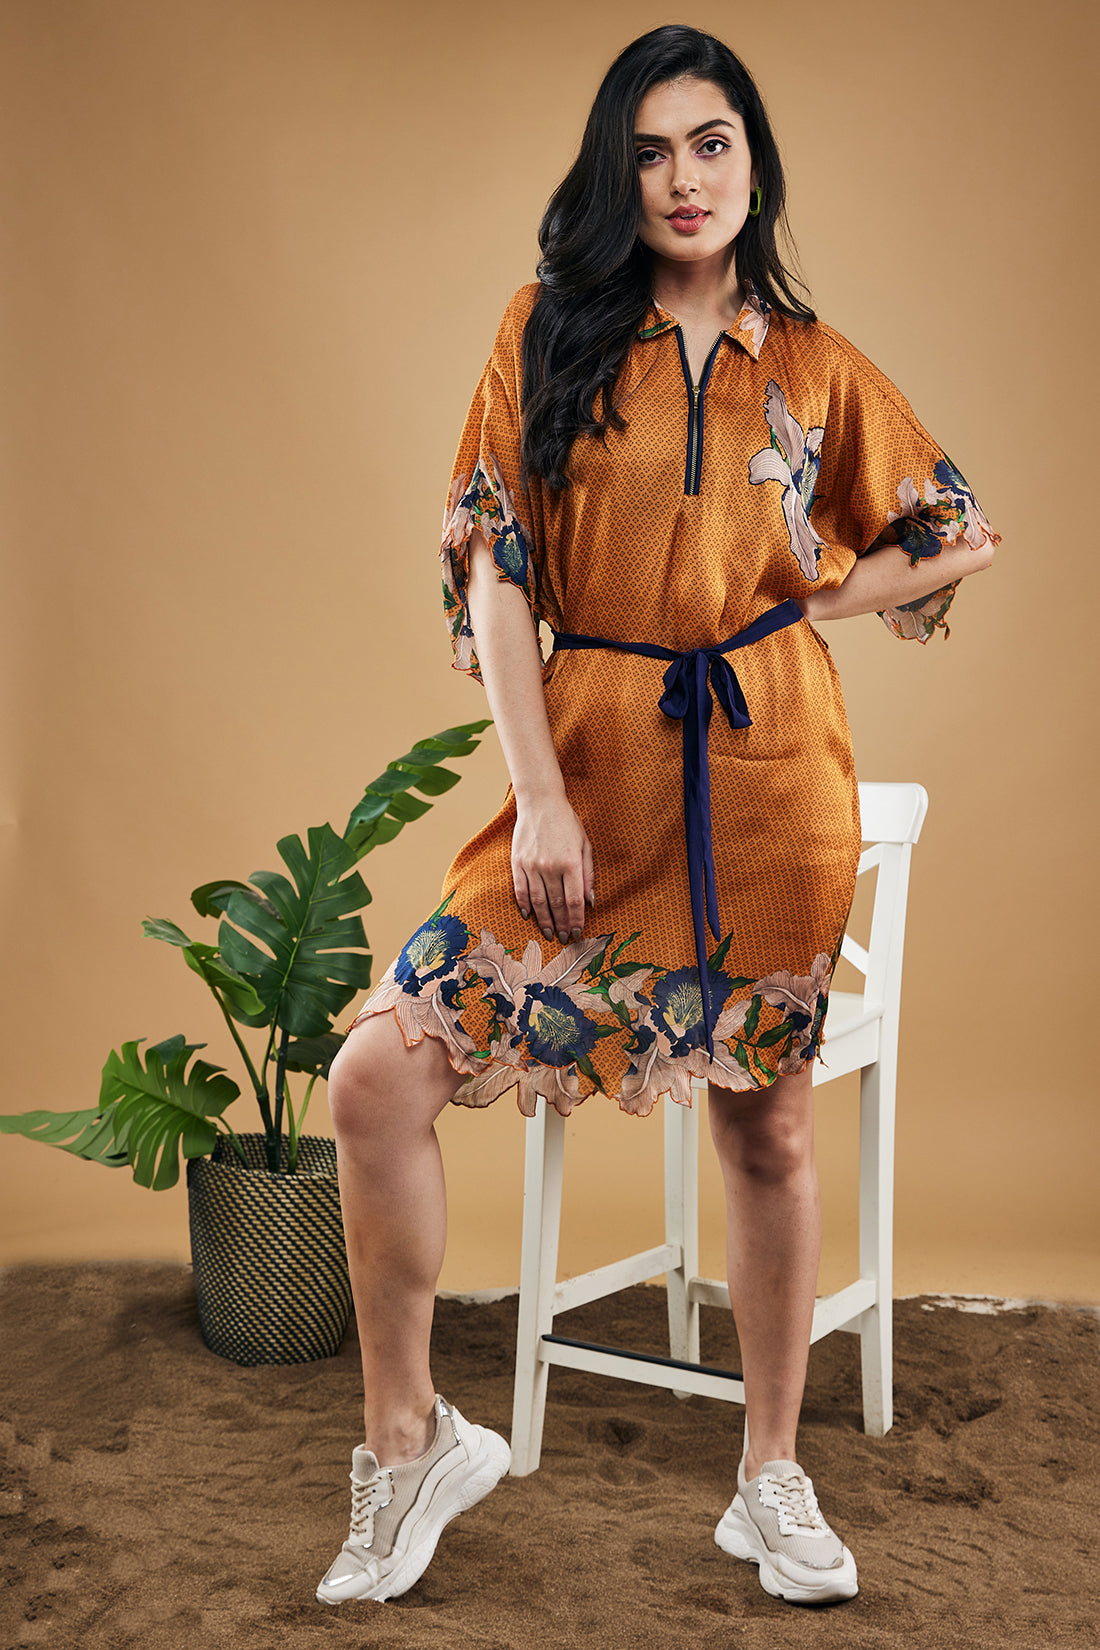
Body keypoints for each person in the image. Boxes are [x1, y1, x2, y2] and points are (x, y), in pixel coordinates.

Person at [316, 23, 998, 1610]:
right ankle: (407, 1442)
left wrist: (811, 598)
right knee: (376, 1075)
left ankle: (770, 1475)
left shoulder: (814, 364)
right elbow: (495, 571)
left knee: (766, 1123)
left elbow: (958, 528)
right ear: (611, 176)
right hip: (589, 771)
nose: (682, 179)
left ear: (753, 159)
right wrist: (540, 800)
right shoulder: (547, 332)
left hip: (768, 783)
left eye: (709, 143)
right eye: (646, 152)